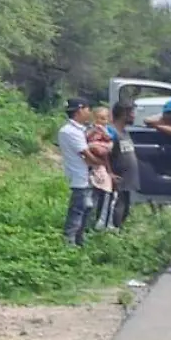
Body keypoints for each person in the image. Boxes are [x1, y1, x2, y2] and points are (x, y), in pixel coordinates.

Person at [58, 98, 96, 246]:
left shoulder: (80, 129)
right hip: (79, 177)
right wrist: (100, 162)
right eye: (87, 109)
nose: (89, 112)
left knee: (86, 211)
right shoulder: (70, 131)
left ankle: (79, 242)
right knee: (77, 212)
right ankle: (69, 243)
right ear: (80, 110)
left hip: (86, 177)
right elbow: (87, 154)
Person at [109, 100, 138, 229]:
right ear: (124, 114)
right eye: (132, 112)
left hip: (126, 181)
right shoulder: (111, 132)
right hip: (117, 180)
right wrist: (110, 173)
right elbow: (105, 155)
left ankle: (119, 231)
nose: (134, 116)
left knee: (124, 210)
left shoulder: (125, 132)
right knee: (116, 210)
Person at [86, 113, 115, 231]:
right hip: (92, 164)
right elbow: (86, 138)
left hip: (103, 163)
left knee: (104, 195)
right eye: (99, 118)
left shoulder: (108, 130)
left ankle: (100, 224)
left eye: (104, 118)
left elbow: (110, 139)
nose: (101, 121)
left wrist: (104, 132)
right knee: (92, 196)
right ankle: (90, 223)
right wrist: (94, 131)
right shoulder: (90, 129)